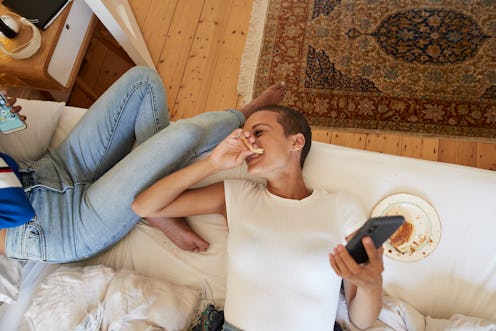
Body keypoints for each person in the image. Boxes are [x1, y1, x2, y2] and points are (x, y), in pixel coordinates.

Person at [132, 104, 384, 330]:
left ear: (296, 142)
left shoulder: (343, 207)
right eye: (245, 135)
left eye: (259, 132)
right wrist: (213, 163)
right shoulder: (236, 195)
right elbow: (144, 206)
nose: (248, 141)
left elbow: (362, 320)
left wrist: (371, 284)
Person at [0, 66, 286, 263]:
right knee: (183, 135)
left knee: (142, 81)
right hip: (57, 227)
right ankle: (243, 116)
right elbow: (16, 210)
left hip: (47, 171)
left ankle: (155, 207)